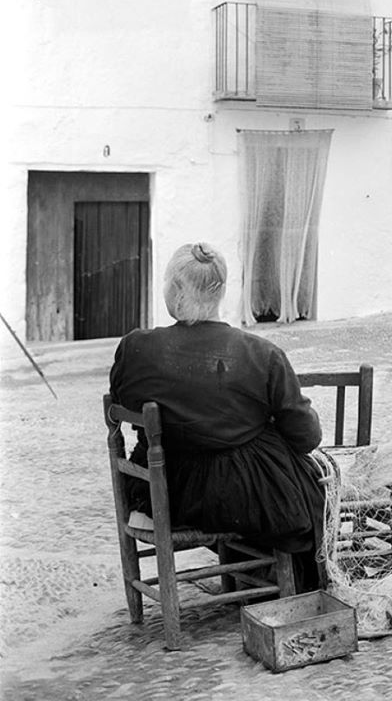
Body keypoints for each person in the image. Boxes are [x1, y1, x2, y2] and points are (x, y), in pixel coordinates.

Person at [109, 242, 325, 590]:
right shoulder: (262, 354)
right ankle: (273, 577)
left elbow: (121, 401)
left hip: (168, 492)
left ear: (176, 290)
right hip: (251, 496)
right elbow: (306, 436)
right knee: (302, 476)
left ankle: (249, 574)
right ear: (221, 291)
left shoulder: (136, 349)